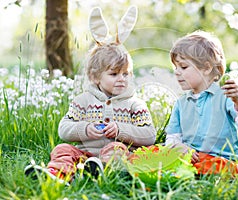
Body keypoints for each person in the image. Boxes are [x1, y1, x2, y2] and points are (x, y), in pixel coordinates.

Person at [25, 5, 156, 183]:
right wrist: (85, 129)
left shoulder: (134, 104)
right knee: (63, 149)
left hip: (116, 154)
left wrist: (121, 130)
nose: (121, 79)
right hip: (85, 154)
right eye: (114, 74)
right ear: (95, 77)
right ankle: (58, 176)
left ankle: (103, 174)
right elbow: (64, 129)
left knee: (117, 150)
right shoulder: (83, 101)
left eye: (126, 74)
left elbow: (149, 135)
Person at [165, 30, 238, 176]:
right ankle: (189, 171)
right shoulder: (181, 103)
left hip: (222, 160)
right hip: (193, 158)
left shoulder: (225, 96)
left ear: (206, 68)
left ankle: (189, 172)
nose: (177, 72)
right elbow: (172, 138)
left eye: (183, 67)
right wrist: (179, 147)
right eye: (175, 67)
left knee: (219, 166)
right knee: (156, 150)